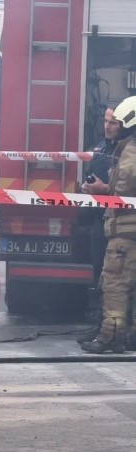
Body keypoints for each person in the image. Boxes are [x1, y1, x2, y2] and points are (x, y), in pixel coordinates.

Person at [81, 97, 136, 353]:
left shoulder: (131, 150)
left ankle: (111, 337)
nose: (113, 127)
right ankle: (127, 336)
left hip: (125, 230)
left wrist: (106, 189)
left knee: (115, 283)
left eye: (118, 122)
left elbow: (124, 187)